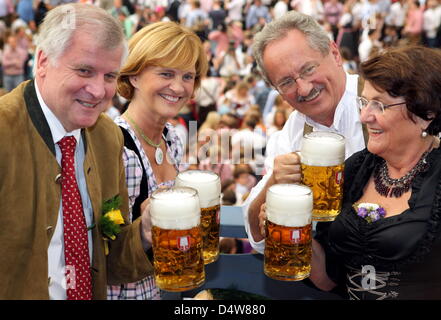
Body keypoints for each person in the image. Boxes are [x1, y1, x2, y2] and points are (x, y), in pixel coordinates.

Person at [0, 3, 153, 300]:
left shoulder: (108, 137)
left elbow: (111, 251)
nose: (98, 91)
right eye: (84, 70)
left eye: (109, 76)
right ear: (43, 61)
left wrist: (145, 234)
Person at [282, 45, 441, 299]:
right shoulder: (357, 169)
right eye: (364, 102)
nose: (365, 115)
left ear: (426, 114)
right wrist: (293, 226)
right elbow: (327, 280)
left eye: (380, 105)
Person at [243, 10, 366, 253]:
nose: (304, 88)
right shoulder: (293, 130)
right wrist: (274, 184)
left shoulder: (384, 101)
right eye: (286, 82)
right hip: (331, 279)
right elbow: (256, 234)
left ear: (334, 53)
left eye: (308, 69)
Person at [108, 21, 208, 300]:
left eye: (188, 77)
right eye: (166, 73)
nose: (178, 87)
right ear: (135, 76)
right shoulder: (117, 148)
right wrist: (143, 230)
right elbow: (104, 244)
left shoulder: (171, 137)